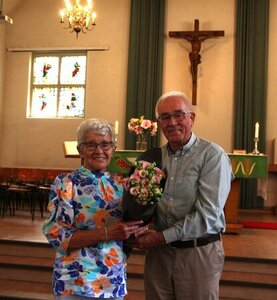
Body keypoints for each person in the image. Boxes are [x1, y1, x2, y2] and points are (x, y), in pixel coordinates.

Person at [127, 91, 234, 300]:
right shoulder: (154, 157)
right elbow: (146, 203)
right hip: (159, 255)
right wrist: (137, 227)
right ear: (159, 123)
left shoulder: (212, 155)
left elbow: (209, 215)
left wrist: (160, 238)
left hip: (197, 252)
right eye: (165, 117)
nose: (172, 122)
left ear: (191, 118)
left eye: (179, 115)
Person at [42, 118, 146, 300]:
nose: (99, 150)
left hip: (113, 278)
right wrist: (107, 233)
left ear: (113, 149)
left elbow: (129, 228)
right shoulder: (67, 182)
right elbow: (55, 233)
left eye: (105, 144)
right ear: (80, 149)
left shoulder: (123, 185)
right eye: (91, 145)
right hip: (76, 279)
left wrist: (138, 230)